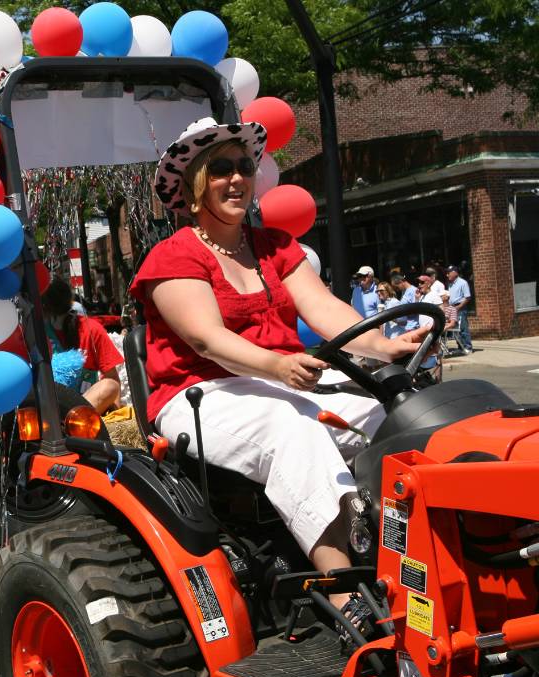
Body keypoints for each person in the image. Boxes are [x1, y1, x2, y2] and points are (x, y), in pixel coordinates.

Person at [133, 116, 429, 627]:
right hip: (201, 390)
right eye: (220, 168)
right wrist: (277, 364)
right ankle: (346, 599)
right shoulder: (173, 255)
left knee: (394, 414)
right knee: (295, 430)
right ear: (195, 185)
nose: (236, 178)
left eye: (243, 166)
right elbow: (208, 339)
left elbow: (327, 310)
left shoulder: (273, 245)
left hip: (281, 381)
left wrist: (385, 346)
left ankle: (410, 563)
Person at [42, 278, 123, 414]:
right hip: (52, 408)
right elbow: (113, 377)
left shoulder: (92, 329)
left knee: (110, 386)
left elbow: (112, 380)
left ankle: (68, 423)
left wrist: (115, 417)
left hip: (82, 408)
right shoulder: (40, 333)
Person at [445, 265, 473, 354]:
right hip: (452, 308)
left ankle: (468, 347)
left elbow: (467, 297)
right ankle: (460, 347)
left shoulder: (463, 283)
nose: (447, 275)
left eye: (449, 273)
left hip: (460, 308)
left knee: (463, 328)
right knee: (456, 329)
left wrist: (458, 307)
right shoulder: (450, 284)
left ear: (455, 273)